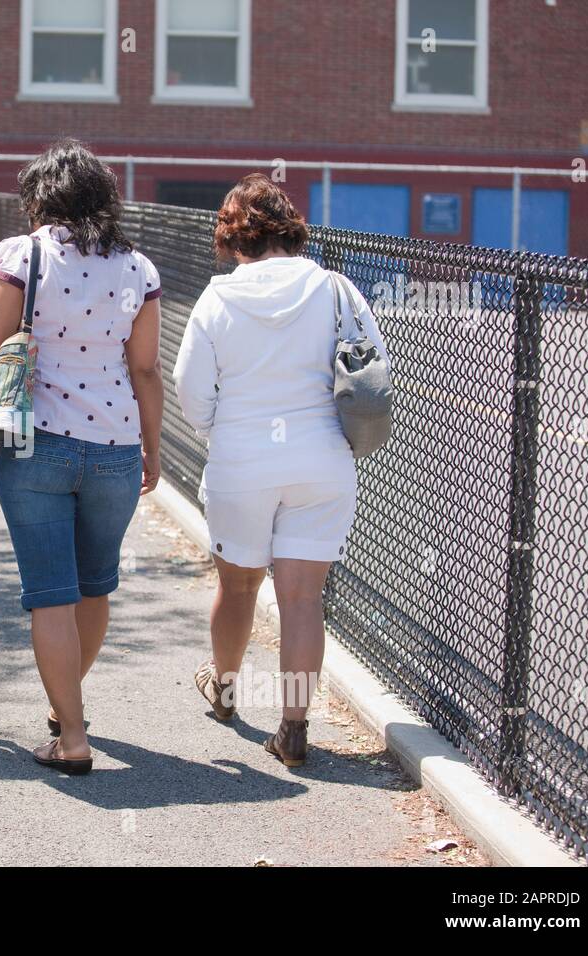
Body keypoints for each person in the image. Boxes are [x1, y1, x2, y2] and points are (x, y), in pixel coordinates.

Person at [0, 139, 164, 775]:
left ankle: (71, 734)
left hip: (38, 447)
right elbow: (146, 370)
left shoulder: (23, 255)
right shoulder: (138, 268)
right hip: (116, 449)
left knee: (51, 595)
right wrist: (152, 451)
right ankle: (66, 707)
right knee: (95, 586)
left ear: (38, 197)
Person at [172, 173, 389, 767]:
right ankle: (294, 729)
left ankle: (224, 689)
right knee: (301, 598)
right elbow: (372, 369)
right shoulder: (337, 289)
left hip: (242, 461)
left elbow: (190, 389)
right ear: (290, 231)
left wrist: (219, 430)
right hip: (321, 459)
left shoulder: (218, 299)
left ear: (231, 238)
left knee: (237, 585)